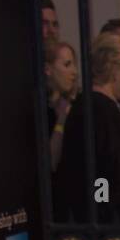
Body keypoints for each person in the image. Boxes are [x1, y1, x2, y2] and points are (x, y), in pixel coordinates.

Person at [54, 31, 120, 223]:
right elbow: (102, 173)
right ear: (115, 68)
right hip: (111, 232)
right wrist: (103, 211)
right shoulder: (95, 108)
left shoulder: (103, 106)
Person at [43, 38, 78, 172]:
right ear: (48, 69)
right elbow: (49, 163)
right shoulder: (42, 111)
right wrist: (62, 118)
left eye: (74, 64)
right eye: (67, 64)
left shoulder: (76, 104)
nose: (75, 72)